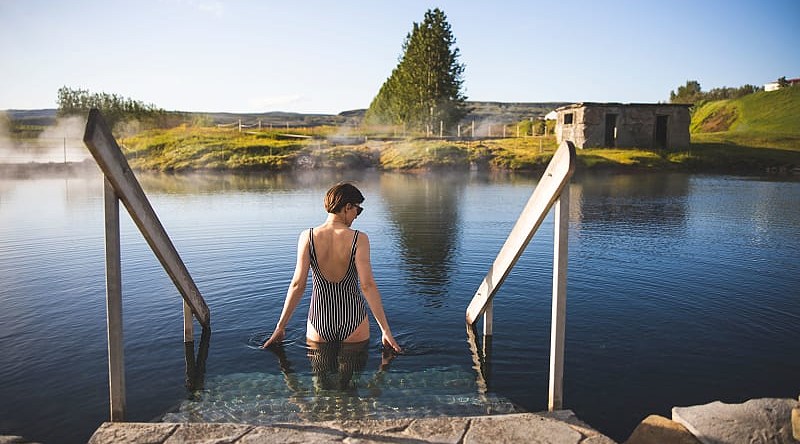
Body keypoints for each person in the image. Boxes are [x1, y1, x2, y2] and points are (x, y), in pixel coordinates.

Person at [262, 182, 401, 354]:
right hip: (354, 320)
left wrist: (280, 327)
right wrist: (385, 330)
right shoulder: (359, 238)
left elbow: (297, 285)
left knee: (320, 372)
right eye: (358, 210)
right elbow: (367, 286)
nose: (357, 216)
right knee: (353, 370)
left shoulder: (308, 237)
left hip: (319, 322)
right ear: (347, 207)